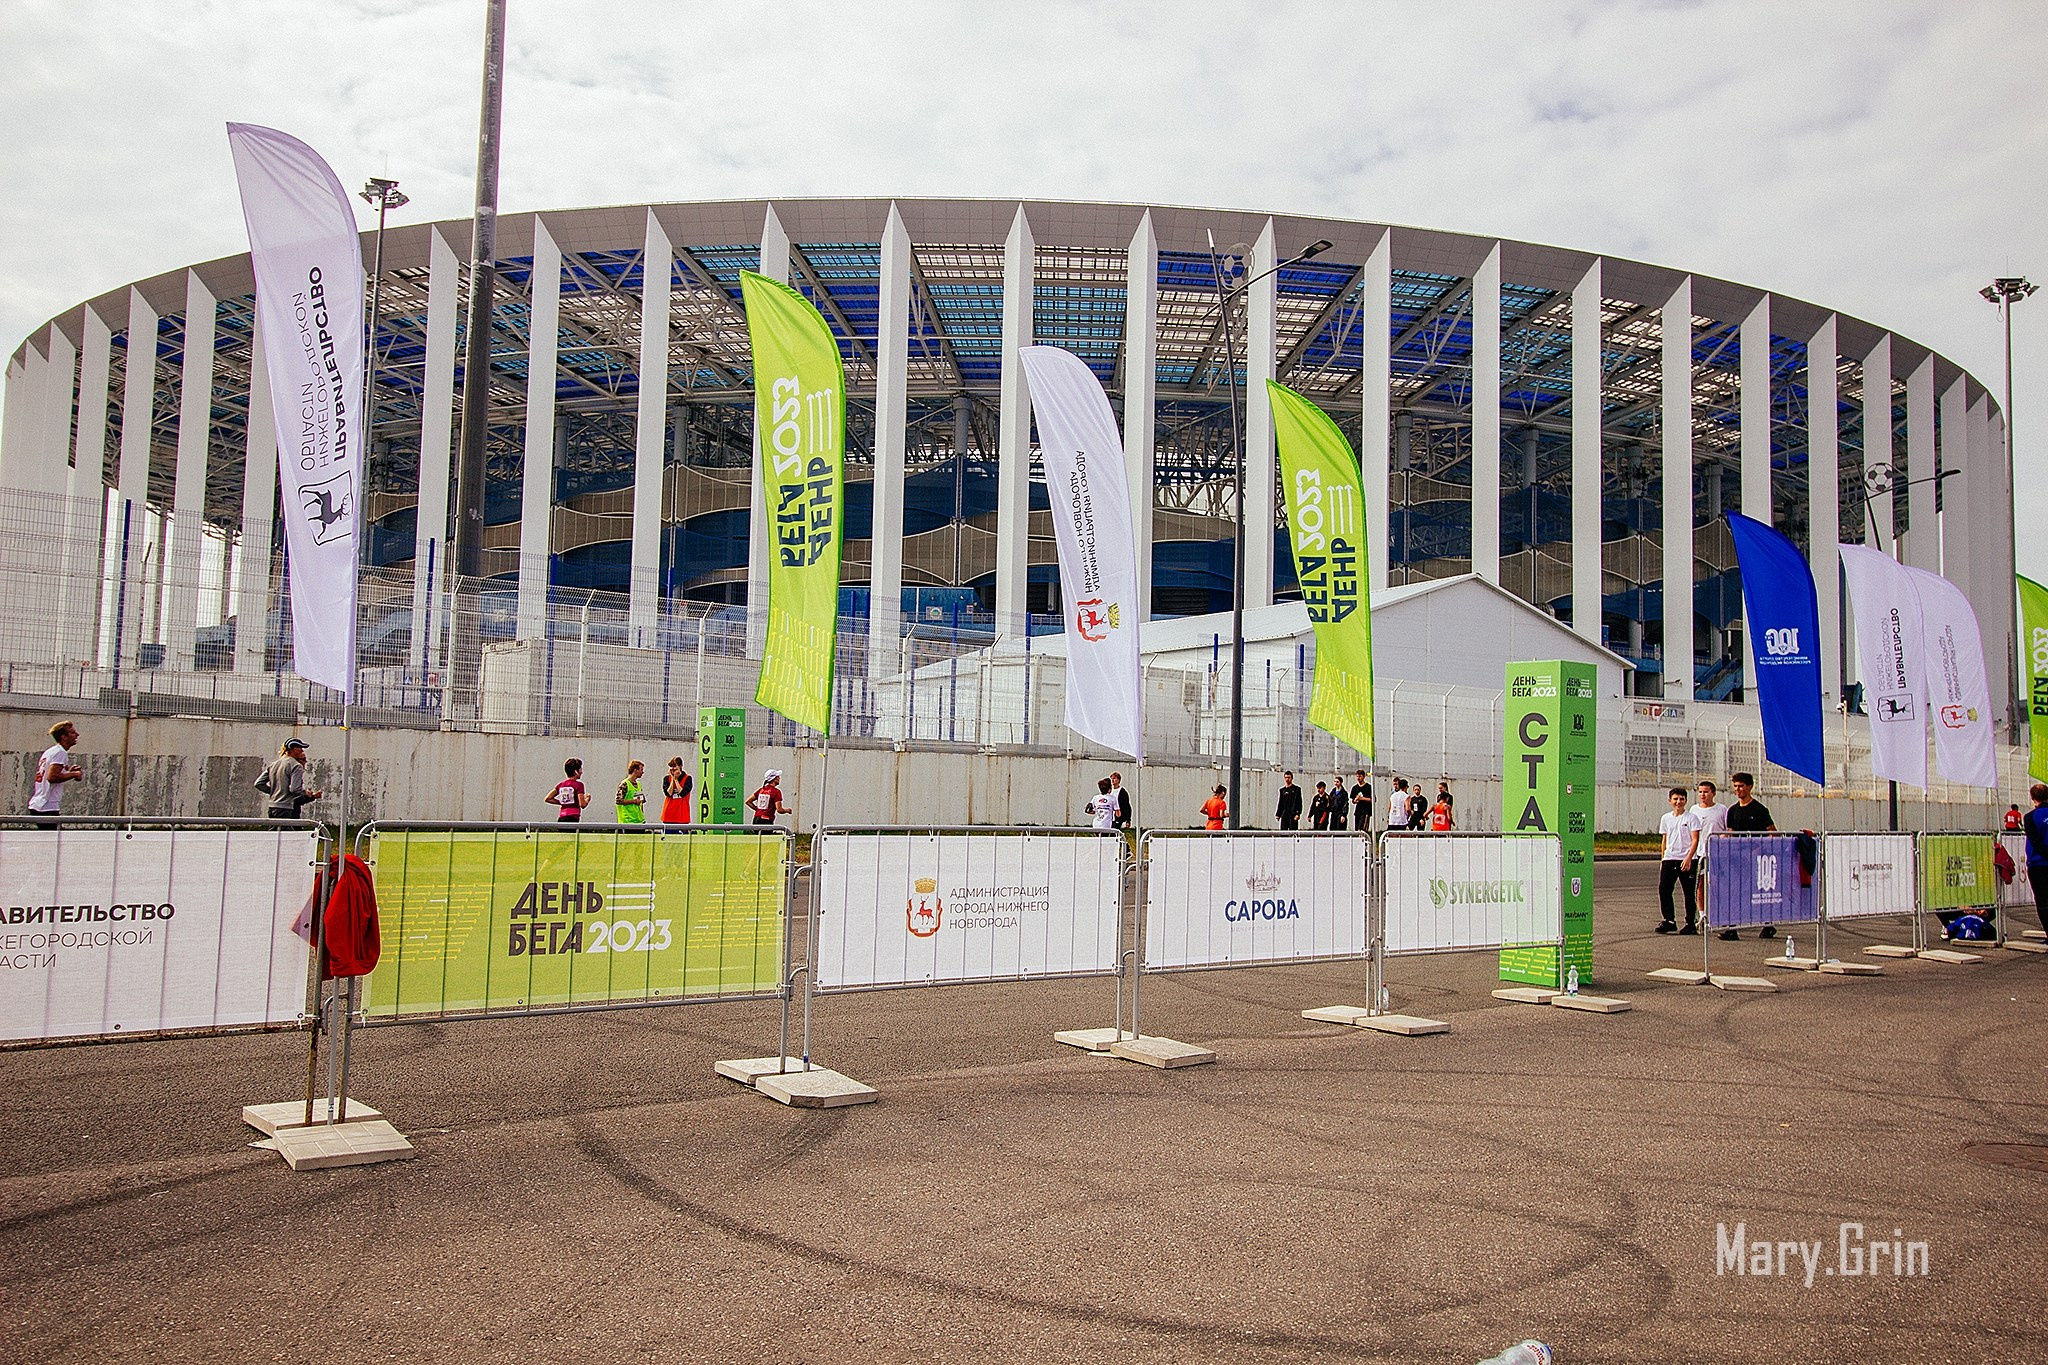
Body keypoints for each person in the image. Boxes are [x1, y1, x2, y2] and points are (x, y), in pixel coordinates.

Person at [1718, 771, 1778, 940]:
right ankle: (1732, 927)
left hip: (1756, 858)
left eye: (1741, 786)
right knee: (1735, 892)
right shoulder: (1732, 811)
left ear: (1750, 787)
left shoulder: (1760, 810)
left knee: (1757, 892)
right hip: (1737, 858)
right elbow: (1731, 832)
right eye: (1735, 787)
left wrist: (1759, 848)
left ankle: (1768, 924)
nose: (1738, 790)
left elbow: (1773, 833)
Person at [1655, 786, 1700, 935]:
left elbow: (1695, 840)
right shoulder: (1665, 818)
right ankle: (1669, 920)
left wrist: (1688, 858)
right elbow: (1664, 840)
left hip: (1686, 859)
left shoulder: (1691, 818)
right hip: (1670, 858)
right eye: (1675, 799)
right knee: (1664, 889)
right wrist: (1663, 859)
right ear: (1670, 801)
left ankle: (1690, 923)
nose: (1678, 802)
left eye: (1681, 799)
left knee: (1688, 892)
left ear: (1686, 801)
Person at [256, 736, 321, 821]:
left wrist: (274, 791)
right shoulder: (296, 766)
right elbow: (295, 789)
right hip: (285, 807)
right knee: (286, 833)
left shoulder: (274, 764)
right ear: (293, 749)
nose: (302, 750)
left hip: (272, 806)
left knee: (275, 832)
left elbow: (259, 783)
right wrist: (306, 793)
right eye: (299, 747)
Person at [28, 719, 82, 821]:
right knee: (54, 836)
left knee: (51, 836)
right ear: (64, 737)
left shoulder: (51, 751)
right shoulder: (60, 753)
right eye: (73, 733)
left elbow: (53, 772)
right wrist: (74, 774)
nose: (77, 735)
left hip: (39, 804)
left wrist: (69, 772)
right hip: (47, 806)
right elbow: (52, 777)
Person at [2022, 783, 2048, 938]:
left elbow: (2035, 841)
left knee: (2043, 902)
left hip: (2038, 864)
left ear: (2033, 798)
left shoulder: (2030, 817)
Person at [546, 758, 590, 823]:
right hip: (573, 817)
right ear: (576, 771)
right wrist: (587, 799)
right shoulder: (579, 785)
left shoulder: (561, 785)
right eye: (580, 769)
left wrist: (563, 802)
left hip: (562, 816)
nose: (582, 772)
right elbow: (582, 804)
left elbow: (548, 798)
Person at [661, 756, 693, 824]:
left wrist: (676, 780)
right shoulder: (667, 778)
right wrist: (673, 779)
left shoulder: (688, 778)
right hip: (669, 815)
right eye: (671, 767)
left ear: (680, 766)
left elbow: (682, 793)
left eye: (674, 766)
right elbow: (668, 793)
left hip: (682, 816)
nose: (673, 769)